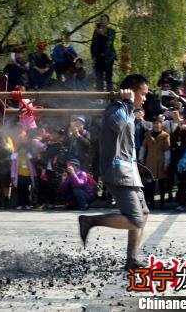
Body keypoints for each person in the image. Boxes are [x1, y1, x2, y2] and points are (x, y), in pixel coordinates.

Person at [78, 74, 150, 271]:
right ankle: (90, 220)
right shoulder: (116, 108)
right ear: (132, 91)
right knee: (134, 219)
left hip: (130, 171)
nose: (144, 98)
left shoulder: (128, 110)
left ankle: (132, 260)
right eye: (142, 94)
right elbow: (117, 125)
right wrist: (127, 102)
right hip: (118, 171)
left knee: (143, 215)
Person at [139, 118, 170, 209]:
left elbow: (167, 151)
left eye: (158, 123)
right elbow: (143, 148)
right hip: (150, 162)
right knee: (150, 184)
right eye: (155, 123)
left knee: (162, 184)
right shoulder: (148, 135)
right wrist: (141, 158)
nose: (156, 125)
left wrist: (166, 163)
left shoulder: (165, 136)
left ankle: (162, 203)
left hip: (161, 162)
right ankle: (151, 202)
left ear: (161, 125)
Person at [90, 15, 117, 91]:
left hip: (108, 58)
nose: (102, 21)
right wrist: (93, 57)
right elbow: (93, 45)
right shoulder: (96, 32)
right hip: (98, 58)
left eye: (104, 20)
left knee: (108, 78)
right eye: (101, 19)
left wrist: (103, 34)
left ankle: (110, 98)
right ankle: (100, 98)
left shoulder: (111, 31)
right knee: (99, 79)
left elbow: (110, 42)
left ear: (108, 22)